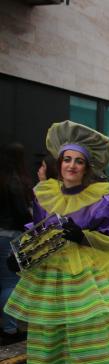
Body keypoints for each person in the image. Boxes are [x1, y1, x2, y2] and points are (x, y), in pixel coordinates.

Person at [4, 121, 109, 364]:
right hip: (51, 277)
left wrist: (82, 236)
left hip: (87, 278)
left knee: (90, 337)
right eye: (67, 159)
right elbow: (37, 233)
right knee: (50, 338)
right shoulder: (43, 194)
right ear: (59, 163)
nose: (71, 166)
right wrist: (20, 256)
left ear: (86, 166)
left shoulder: (101, 198)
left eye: (78, 161)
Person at [0, 143, 32, 346]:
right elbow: (22, 213)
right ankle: (10, 329)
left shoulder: (3, 179)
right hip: (11, 234)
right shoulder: (15, 181)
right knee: (11, 283)